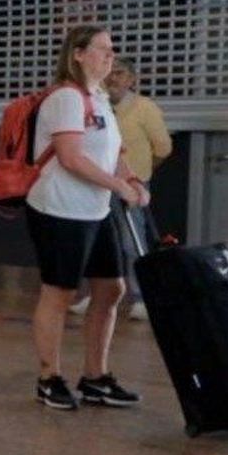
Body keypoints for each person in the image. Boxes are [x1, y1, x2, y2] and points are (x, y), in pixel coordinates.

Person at [22, 26, 143, 411]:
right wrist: (117, 186)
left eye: (112, 49)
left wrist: (131, 180)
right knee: (59, 292)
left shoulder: (100, 97)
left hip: (96, 209)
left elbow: (113, 150)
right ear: (77, 53)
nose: (110, 55)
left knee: (111, 288)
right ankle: (48, 378)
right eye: (102, 48)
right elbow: (71, 158)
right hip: (60, 208)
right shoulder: (66, 97)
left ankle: (95, 377)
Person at [71, 58, 170, 322]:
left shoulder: (144, 107)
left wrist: (140, 173)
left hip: (131, 184)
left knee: (130, 241)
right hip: (97, 183)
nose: (113, 78)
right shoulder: (97, 105)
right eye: (110, 73)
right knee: (98, 241)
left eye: (121, 73)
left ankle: (141, 298)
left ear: (131, 80)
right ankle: (93, 295)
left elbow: (163, 148)